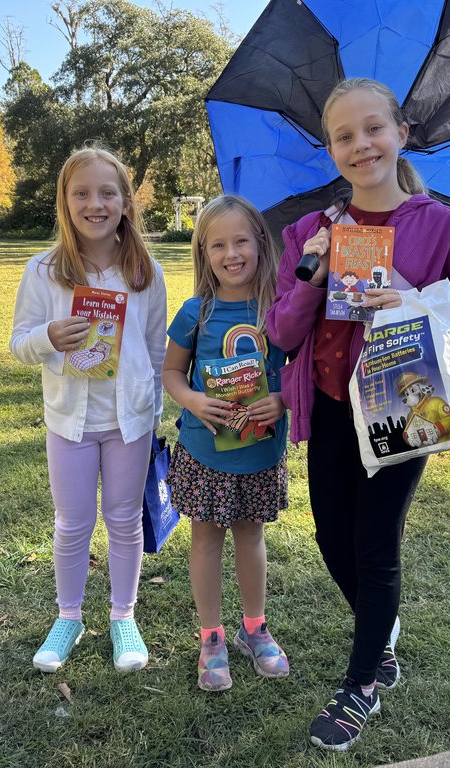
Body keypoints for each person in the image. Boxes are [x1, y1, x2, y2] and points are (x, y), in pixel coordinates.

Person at [266, 78, 450, 751]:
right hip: (327, 409)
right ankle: (380, 637)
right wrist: (310, 278)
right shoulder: (310, 232)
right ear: (331, 150)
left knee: (375, 546)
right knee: (331, 538)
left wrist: (418, 302)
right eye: (344, 135)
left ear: (400, 133)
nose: (361, 144)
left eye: (373, 129)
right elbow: (283, 333)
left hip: (403, 407)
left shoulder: (440, 227)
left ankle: (361, 686)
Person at [9, 147, 167, 674]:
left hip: (130, 421)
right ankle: (69, 617)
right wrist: (48, 337)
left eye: (107, 193)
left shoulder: (144, 271)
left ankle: (124, 616)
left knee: (124, 521)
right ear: (65, 201)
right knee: (72, 523)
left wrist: (155, 408)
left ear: (125, 201)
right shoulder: (45, 270)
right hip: (69, 420)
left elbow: (156, 347)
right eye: (82, 193)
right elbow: (18, 342)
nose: (94, 204)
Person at [162, 195, 290, 692]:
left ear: (260, 243)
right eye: (218, 244)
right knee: (205, 539)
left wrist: (280, 400)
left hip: (260, 451)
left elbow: (295, 370)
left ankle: (254, 627)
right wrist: (193, 400)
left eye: (241, 241)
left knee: (251, 536)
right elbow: (172, 372)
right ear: (204, 251)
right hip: (205, 452)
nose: (231, 253)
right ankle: (211, 636)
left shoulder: (279, 310)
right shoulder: (196, 312)